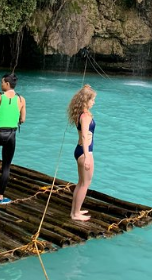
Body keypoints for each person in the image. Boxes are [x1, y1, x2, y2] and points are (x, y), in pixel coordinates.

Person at [0, 73, 26, 204]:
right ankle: (0, 197)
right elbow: (23, 119)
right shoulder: (21, 99)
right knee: (6, 166)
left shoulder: (0, 95)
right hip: (11, 135)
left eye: (2, 82)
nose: (1, 84)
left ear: (7, 84)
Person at [67, 84, 96, 221]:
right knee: (85, 184)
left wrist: (86, 89)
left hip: (80, 151)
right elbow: (84, 136)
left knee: (80, 183)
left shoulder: (81, 114)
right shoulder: (85, 116)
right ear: (86, 101)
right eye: (92, 100)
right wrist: (87, 157)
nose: (94, 102)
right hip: (85, 152)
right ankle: (75, 214)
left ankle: (75, 211)